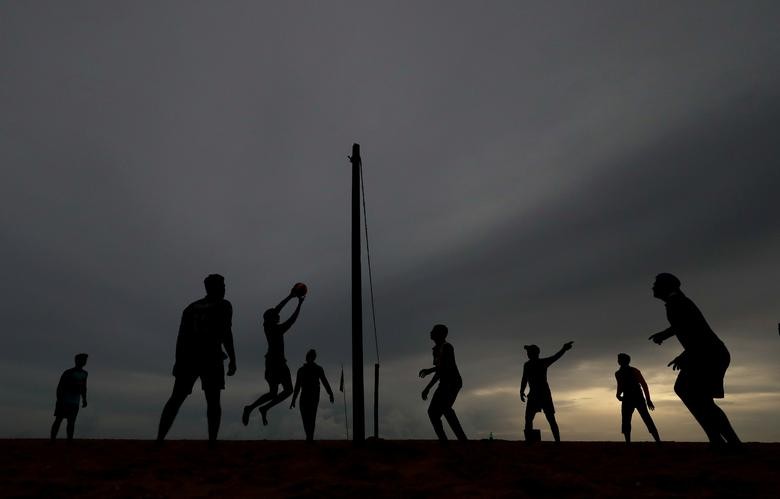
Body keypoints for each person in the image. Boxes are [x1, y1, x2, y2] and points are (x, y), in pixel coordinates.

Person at [648, 273, 740, 446]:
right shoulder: (677, 303)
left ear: (667, 287)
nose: (653, 287)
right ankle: (721, 441)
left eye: (656, 284)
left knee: (691, 393)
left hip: (709, 355)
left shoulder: (678, 303)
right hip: (707, 354)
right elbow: (684, 325)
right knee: (697, 396)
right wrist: (665, 335)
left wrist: (684, 356)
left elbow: (695, 333)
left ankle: (726, 442)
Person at [156, 274, 236, 444]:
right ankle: (212, 442)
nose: (224, 288)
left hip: (188, 358)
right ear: (214, 287)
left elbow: (181, 337)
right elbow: (226, 333)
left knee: (176, 398)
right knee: (213, 401)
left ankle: (159, 439)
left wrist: (178, 360)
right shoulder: (223, 305)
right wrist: (233, 359)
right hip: (210, 357)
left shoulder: (191, 308)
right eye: (222, 285)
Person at [243, 285, 305, 426]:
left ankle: (255, 408)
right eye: (276, 316)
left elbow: (276, 309)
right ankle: (262, 408)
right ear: (273, 318)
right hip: (277, 363)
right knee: (287, 390)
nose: (278, 315)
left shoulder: (267, 326)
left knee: (273, 393)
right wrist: (299, 304)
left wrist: (290, 296)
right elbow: (292, 319)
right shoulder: (277, 329)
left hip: (272, 362)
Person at [419, 324, 468, 442]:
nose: (430, 333)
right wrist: (428, 382)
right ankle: (444, 441)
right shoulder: (436, 350)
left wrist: (428, 381)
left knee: (445, 408)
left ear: (440, 334)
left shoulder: (447, 347)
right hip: (444, 383)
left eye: (433, 331)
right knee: (432, 412)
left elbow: (444, 368)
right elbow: (439, 370)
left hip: (453, 382)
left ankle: (462, 440)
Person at [520, 341, 573, 442]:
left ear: (534, 353)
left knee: (549, 419)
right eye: (528, 352)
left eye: (529, 352)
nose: (527, 354)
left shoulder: (540, 363)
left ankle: (557, 441)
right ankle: (531, 441)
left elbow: (555, 357)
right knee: (529, 419)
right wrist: (521, 391)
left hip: (543, 394)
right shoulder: (528, 365)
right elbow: (524, 379)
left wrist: (563, 349)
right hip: (537, 395)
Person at [290, 349, 334, 441]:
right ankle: (309, 437)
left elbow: (324, 382)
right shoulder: (302, 370)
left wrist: (330, 393)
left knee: (311, 417)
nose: (309, 359)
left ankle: (310, 437)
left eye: (311, 357)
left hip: (313, 396)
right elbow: (297, 386)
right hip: (305, 396)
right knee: (306, 418)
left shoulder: (317, 369)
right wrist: (293, 399)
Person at [615, 353, 660, 443]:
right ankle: (628, 442)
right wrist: (618, 394)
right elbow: (620, 385)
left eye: (620, 359)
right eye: (618, 359)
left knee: (646, 418)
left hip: (637, 397)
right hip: (628, 397)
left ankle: (658, 441)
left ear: (624, 361)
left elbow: (644, 385)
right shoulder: (618, 373)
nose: (618, 361)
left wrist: (648, 400)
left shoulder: (634, 371)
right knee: (626, 420)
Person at [50, 353, 88, 441]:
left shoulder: (85, 373)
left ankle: (69, 440)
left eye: (85, 360)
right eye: (82, 359)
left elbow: (84, 387)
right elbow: (60, 386)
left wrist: (84, 399)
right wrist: (59, 399)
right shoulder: (68, 372)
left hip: (75, 401)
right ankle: (52, 440)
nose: (84, 361)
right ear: (76, 361)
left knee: (71, 422)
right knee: (59, 420)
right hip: (64, 400)